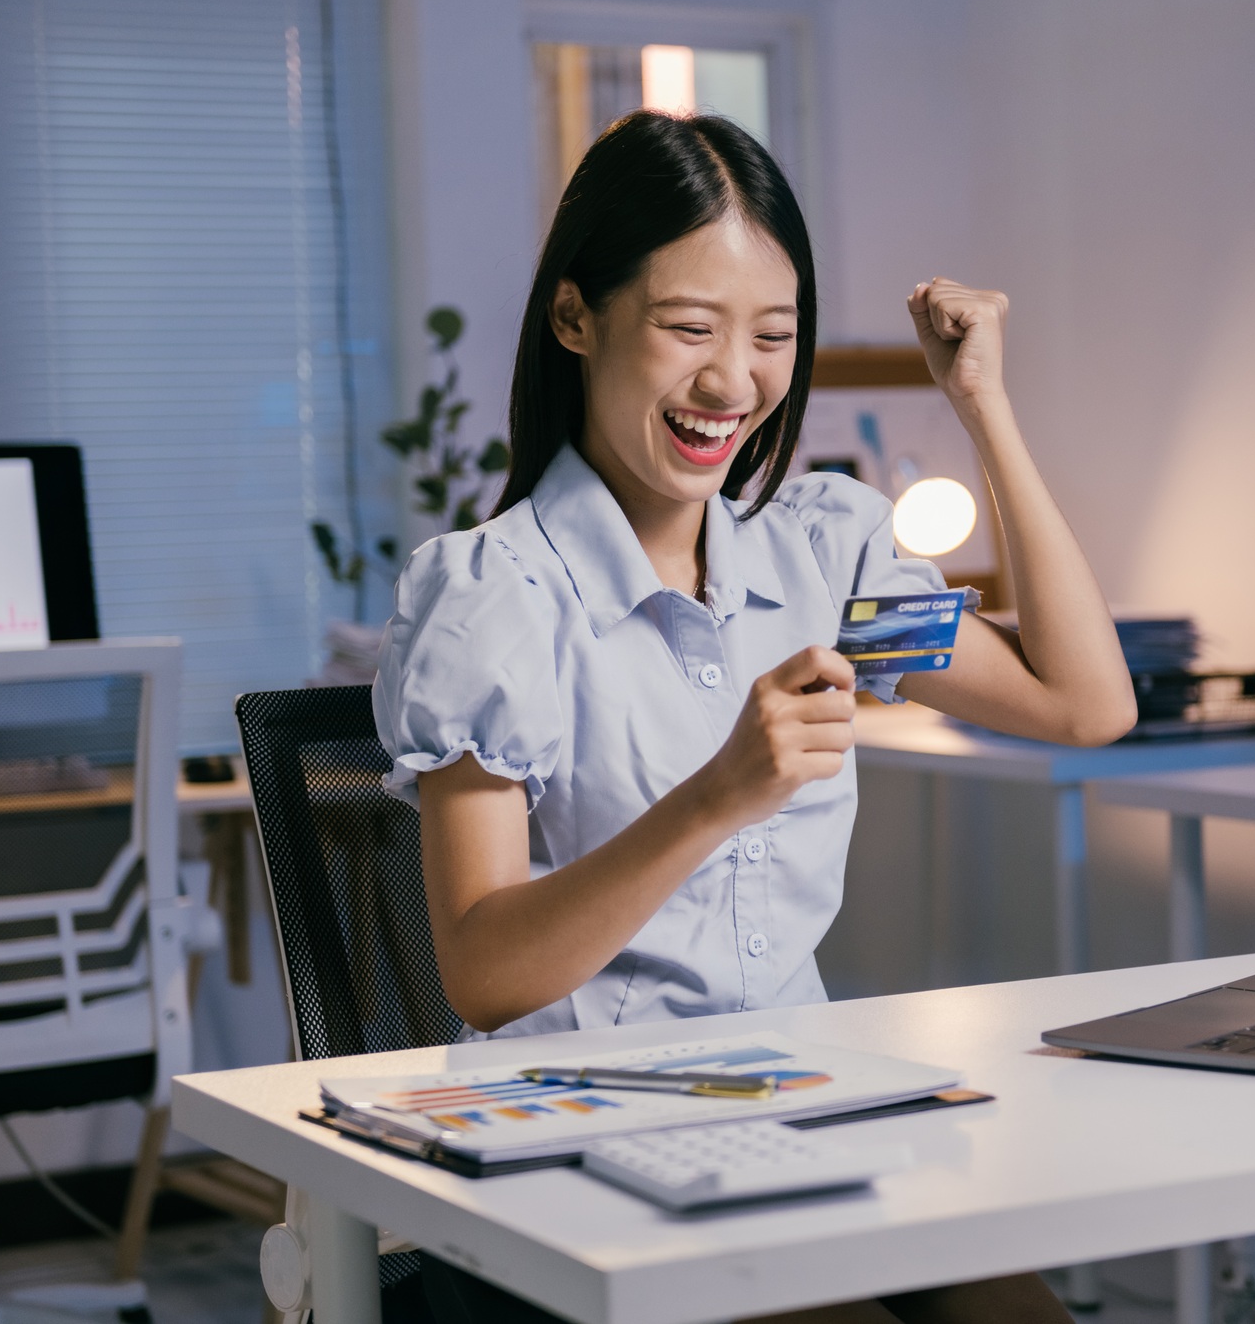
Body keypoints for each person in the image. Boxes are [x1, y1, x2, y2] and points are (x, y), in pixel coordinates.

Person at [375, 110, 1135, 1324]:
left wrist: (980, 405)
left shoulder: (818, 558)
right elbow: (483, 971)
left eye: (772, 336)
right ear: (575, 318)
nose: (732, 381)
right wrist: (719, 795)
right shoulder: (492, 599)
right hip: (576, 1139)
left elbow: (1082, 705)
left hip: (800, 1106)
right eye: (687, 328)